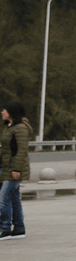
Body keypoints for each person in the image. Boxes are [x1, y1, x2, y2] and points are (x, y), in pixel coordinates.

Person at [0, 102, 31, 241]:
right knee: (14, 199)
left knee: (3, 199)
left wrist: (16, 169)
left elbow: (21, 150)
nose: (2, 112)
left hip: (14, 169)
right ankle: (18, 228)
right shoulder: (9, 127)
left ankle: (5, 228)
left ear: (12, 112)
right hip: (7, 168)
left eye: (4, 110)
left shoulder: (20, 128)